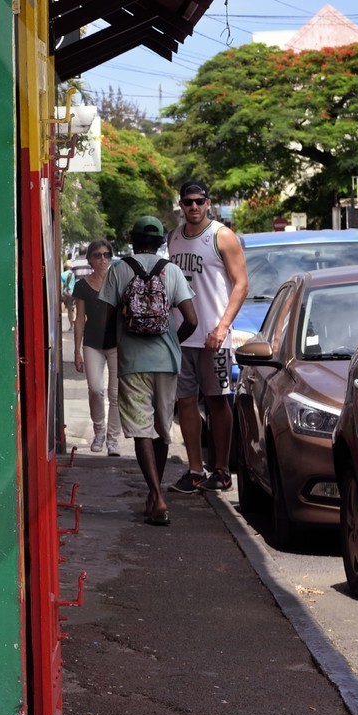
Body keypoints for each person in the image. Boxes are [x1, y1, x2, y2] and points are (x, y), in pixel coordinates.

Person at [100, 216, 197, 525]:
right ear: (160, 243)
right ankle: (155, 494)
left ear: (133, 239)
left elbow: (106, 318)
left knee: (141, 429)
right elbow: (192, 321)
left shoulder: (118, 270)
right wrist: (173, 344)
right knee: (160, 427)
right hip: (167, 362)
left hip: (132, 363)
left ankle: (155, 495)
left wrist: (112, 347)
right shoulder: (172, 271)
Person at [164, 180, 249, 494]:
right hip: (182, 336)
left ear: (208, 203)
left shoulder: (221, 237)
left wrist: (223, 327)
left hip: (214, 337)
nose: (194, 207)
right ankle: (195, 469)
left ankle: (223, 470)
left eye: (199, 201)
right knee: (185, 402)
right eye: (188, 202)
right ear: (181, 205)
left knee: (216, 401)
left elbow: (241, 284)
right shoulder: (174, 238)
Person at [69, 239, 120, 454]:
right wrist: (77, 351)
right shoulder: (82, 285)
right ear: (89, 258)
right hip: (92, 343)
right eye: (97, 255)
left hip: (117, 344)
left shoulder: (118, 282)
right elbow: (80, 319)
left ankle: (113, 440)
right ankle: (99, 432)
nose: (102, 259)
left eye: (106, 255)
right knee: (96, 390)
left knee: (116, 394)